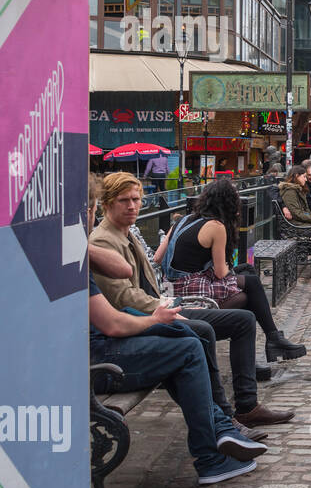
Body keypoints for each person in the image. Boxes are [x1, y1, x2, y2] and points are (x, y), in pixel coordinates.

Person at [89, 173, 289, 434]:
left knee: (243, 319)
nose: (132, 206)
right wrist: (166, 308)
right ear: (105, 204)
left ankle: (247, 405)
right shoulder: (104, 239)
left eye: (136, 199)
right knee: (208, 328)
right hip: (138, 318)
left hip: (162, 301)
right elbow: (123, 298)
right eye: (123, 200)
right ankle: (226, 419)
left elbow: (156, 263)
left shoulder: (130, 231)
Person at [89, 277, 267, 485]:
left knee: (184, 339)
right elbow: (113, 324)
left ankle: (221, 428)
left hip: (98, 344)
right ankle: (212, 453)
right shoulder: (67, 258)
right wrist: (155, 319)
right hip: (94, 359)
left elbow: (120, 269)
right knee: (187, 349)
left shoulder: (73, 254)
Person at [161, 178, 308, 372]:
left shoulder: (181, 220)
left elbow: (157, 257)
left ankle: (269, 344)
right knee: (250, 288)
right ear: (228, 203)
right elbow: (221, 272)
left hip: (170, 286)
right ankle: (269, 343)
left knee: (247, 272)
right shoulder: (216, 226)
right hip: (191, 290)